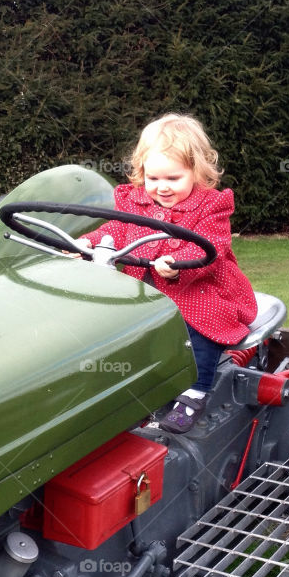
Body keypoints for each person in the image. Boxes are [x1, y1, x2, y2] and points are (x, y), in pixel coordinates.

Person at [78, 113, 257, 433]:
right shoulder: (134, 201)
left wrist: (179, 264)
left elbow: (210, 247)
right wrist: (85, 243)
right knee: (129, 331)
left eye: (173, 179)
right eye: (153, 178)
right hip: (144, 289)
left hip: (199, 288)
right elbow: (116, 230)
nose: (161, 188)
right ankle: (141, 391)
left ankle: (195, 392)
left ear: (197, 172)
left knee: (200, 329)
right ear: (142, 171)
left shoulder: (210, 206)